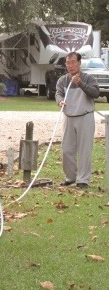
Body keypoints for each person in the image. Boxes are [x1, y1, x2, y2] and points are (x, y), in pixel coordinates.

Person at [55, 52, 99, 188]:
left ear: (79, 63)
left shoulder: (88, 78)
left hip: (85, 116)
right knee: (66, 149)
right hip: (68, 116)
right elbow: (58, 93)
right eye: (68, 63)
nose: (70, 65)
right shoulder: (63, 80)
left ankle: (83, 180)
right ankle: (71, 177)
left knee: (85, 149)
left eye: (73, 62)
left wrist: (81, 84)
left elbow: (96, 93)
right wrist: (60, 101)